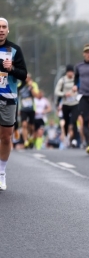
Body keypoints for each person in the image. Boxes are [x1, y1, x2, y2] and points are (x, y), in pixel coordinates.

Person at [0, 17, 27, 190]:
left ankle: (1, 173)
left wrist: (11, 69)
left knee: (6, 136)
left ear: (8, 30)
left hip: (8, 98)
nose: (1, 29)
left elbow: (23, 75)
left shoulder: (14, 50)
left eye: (4, 27)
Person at [55, 64, 79, 148]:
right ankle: (66, 136)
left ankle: (74, 139)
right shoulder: (62, 80)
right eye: (69, 72)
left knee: (74, 121)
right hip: (66, 104)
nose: (70, 73)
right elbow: (56, 91)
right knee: (66, 122)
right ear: (66, 72)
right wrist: (64, 94)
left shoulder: (76, 80)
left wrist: (77, 89)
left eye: (72, 72)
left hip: (75, 103)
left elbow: (82, 87)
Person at [18, 73, 39, 148]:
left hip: (31, 108)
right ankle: (25, 140)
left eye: (28, 78)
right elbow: (17, 95)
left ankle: (30, 137)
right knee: (24, 125)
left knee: (32, 127)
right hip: (23, 108)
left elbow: (36, 95)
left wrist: (31, 87)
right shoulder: (20, 85)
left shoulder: (33, 84)